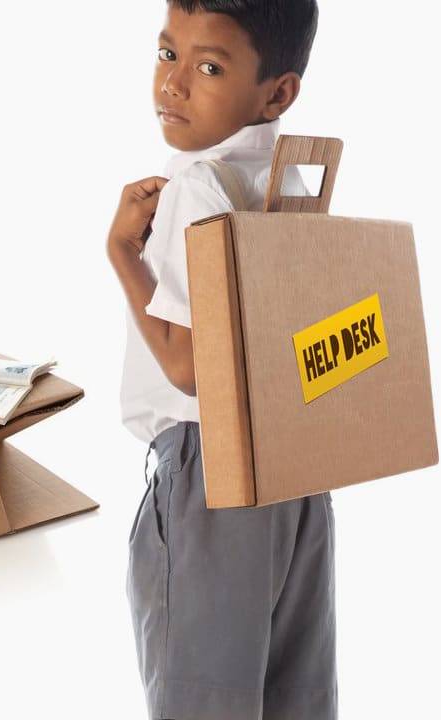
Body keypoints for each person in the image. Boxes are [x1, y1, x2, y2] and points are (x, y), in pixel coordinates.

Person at [106, 2, 335, 718]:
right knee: (292, 685)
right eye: (166, 52)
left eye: (208, 67)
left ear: (277, 91)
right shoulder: (285, 173)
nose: (173, 84)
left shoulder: (198, 188)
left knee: (201, 690)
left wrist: (123, 256)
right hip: (293, 463)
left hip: (212, 470)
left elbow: (190, 368)